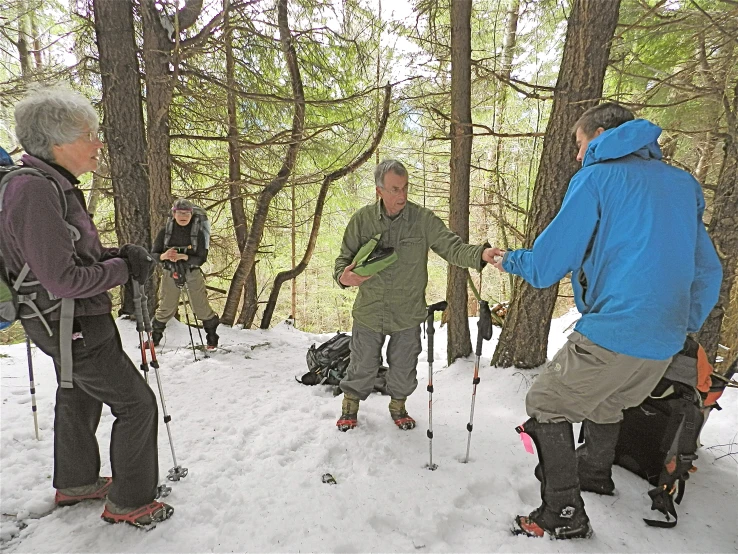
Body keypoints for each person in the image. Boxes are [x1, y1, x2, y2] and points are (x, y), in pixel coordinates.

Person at [489, 102, 722, 539]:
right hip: (665, 338)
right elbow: (709, 270)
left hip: (618, 327)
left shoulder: (596, 178)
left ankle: (562, 513)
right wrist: (677, 325)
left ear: (599, 134)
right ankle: (594, 472)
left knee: (546, 402)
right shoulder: (682, 185)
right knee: (608, 401)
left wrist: (508, 260)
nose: (578, 155)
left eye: (579, 144)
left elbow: (545, 264)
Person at [0, 87, 174, 527]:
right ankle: (131, 500)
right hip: (70, 321)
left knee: (77, 393)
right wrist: (122, 269)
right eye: (90, 134)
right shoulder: (35, 191)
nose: (98, 143)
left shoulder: (46, 186)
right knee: (136, 405)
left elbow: (63, 257)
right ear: (58, 142)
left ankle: (75, 482)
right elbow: (63, 280)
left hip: (62, 321)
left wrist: (118, 254)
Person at [334, 159, 499, 431]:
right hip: (370, 310)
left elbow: (452, 247)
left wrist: (480, 253)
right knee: (361, 365)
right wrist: (345, 277)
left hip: (408, 312)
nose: (402, 196)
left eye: (405, 188)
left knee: (403, 369)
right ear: (379, 191)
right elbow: (343, 262)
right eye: (395, 189)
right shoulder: (362, 221)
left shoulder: (422, 220)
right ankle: (349, 407)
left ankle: (398, 407)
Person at [150, 198, 219, 349]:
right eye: (180, 213)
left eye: (186, 213)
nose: (183, 216)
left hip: (192, 272)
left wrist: (184, 257)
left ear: (191, 214)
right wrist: (164, 256)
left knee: (200, 307)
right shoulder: (165, 232)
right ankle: (154, 339)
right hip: (170, 271)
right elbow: (154, 255)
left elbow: (201, 258)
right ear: (174, 214)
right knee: (166, 307)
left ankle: (212, 338)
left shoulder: (198, 233)